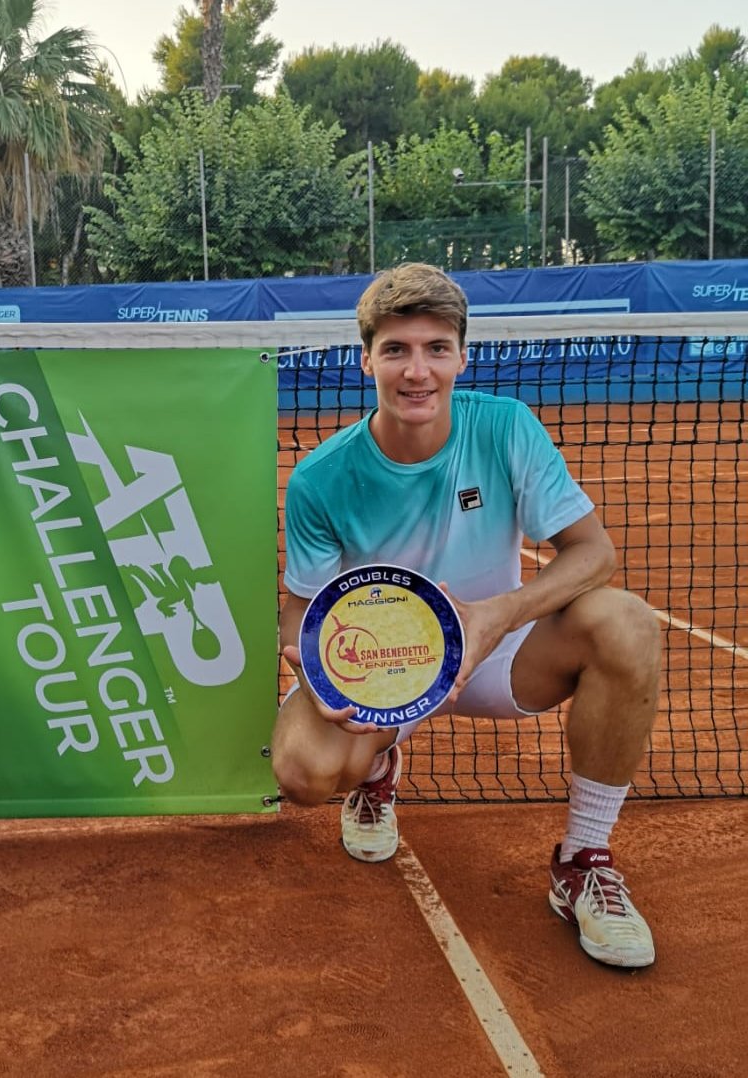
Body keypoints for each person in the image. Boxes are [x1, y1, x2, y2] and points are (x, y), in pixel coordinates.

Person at [272, 262, 661, 969]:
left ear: (461, 355)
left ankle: (583, 861)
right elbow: (301, 605)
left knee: (626, 622)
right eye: (396, 349)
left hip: (500, 653)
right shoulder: (321, 477)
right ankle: (379, 767)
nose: (416, 370)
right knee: (300, 771)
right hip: (382, 669)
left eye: (435, 348)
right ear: (366, 360)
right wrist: (323, 673)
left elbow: (592, 553)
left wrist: (494, 615)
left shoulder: (506, 427)